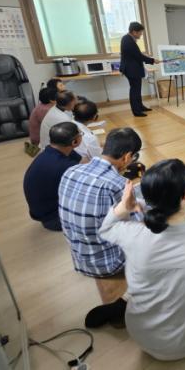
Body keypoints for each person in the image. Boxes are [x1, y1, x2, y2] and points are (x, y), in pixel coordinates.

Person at [97, 159, 185, 360]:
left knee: (150, 273)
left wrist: (124, 206)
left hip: (141, 337)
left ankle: (125, 300)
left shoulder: (133, 234)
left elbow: (106, 229)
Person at [59, 128, 142, 324]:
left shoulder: (71, 171)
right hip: (108, 265)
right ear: (127, 157)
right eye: (133, 157)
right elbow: (138, 228)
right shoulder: (118, 184)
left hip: (79, 258)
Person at [23, 122, 82, 231]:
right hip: (53, 219)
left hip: (42, 211)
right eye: (81, 134)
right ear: (74, 142)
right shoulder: (66, 167)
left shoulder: (51, 150)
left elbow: (83, 161)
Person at [120, 21, 156, 117]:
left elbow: (136, 55)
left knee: (137, 89)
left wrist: (150, 60)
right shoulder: (128, 41)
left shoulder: (128, 39)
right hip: (131, 69)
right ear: (134, 32)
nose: (141, 35)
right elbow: (138, 56)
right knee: (135, 90)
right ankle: (136, 111)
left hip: (132, 69)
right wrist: (152, 60)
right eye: (140, 32)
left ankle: (140, 107)